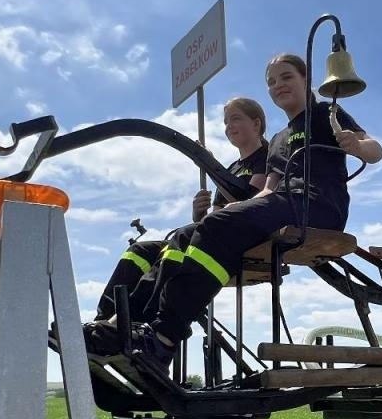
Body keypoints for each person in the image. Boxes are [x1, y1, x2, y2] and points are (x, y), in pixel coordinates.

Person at [117, 53, 382, 376]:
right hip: (285, 203)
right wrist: (239, 208)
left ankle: (165, 337)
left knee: (218, 222)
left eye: (286, 77)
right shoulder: (279, 141)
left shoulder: (326, 112)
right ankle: (138, 327)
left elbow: (374, 149)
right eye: (271, 82)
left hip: (318, 206)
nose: (278, 86)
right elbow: (269, 191)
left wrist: (356, 145)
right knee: (185, 234)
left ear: (306, 80)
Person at [90, 97, 270, 331]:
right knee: (140, 251)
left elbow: (248, 204)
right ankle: (102, 320)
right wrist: (199, 214)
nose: (229, 127)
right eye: (226, 122)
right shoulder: (231, 169)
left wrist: (209, 165)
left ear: (256, 124)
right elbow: (213, 217)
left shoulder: (266, 157)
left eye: (236, 119)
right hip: (215, 233)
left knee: (181, 238)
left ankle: (132, 321)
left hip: (244, 237)